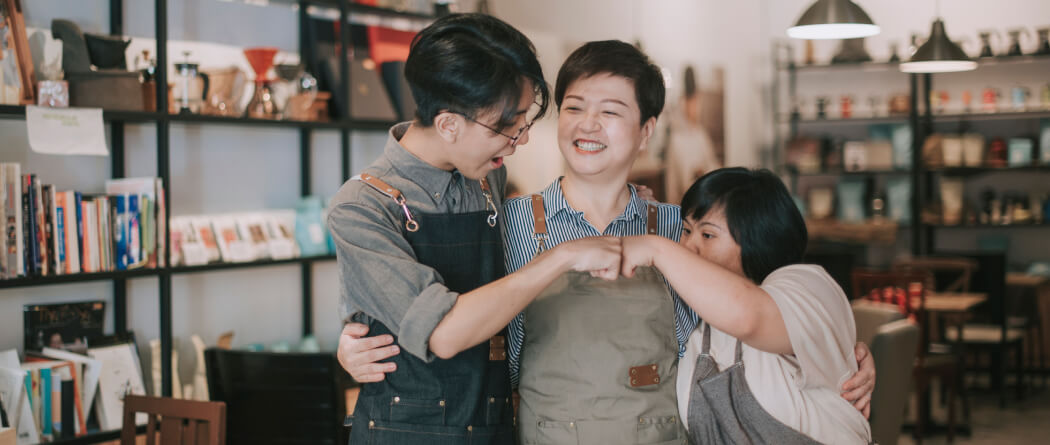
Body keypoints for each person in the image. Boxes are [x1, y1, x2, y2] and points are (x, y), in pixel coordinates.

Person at [338, 40, 875, 444]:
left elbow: (765, 313)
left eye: (611, 111)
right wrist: (351, 338)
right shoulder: (504, 220)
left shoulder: (681, 229)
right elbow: (444, 306)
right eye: (573, 107)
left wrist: (843, 357)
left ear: (646, 130)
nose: (587, 124)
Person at [326, 14, 622, 444]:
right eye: (505, 126)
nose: (518, 140)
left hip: (491, 421)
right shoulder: (362, 206)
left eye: (522, 120)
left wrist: (620, 201)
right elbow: (443, 333)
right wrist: (562, 257)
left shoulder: (485, 176)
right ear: (448, 124)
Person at [620, 167, 873, 444]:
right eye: (686, 231)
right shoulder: (697, 324)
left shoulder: (809, 285)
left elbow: (750, 316)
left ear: (757, 237)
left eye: (707, 235)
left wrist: (655, 249)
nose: (688, 247)